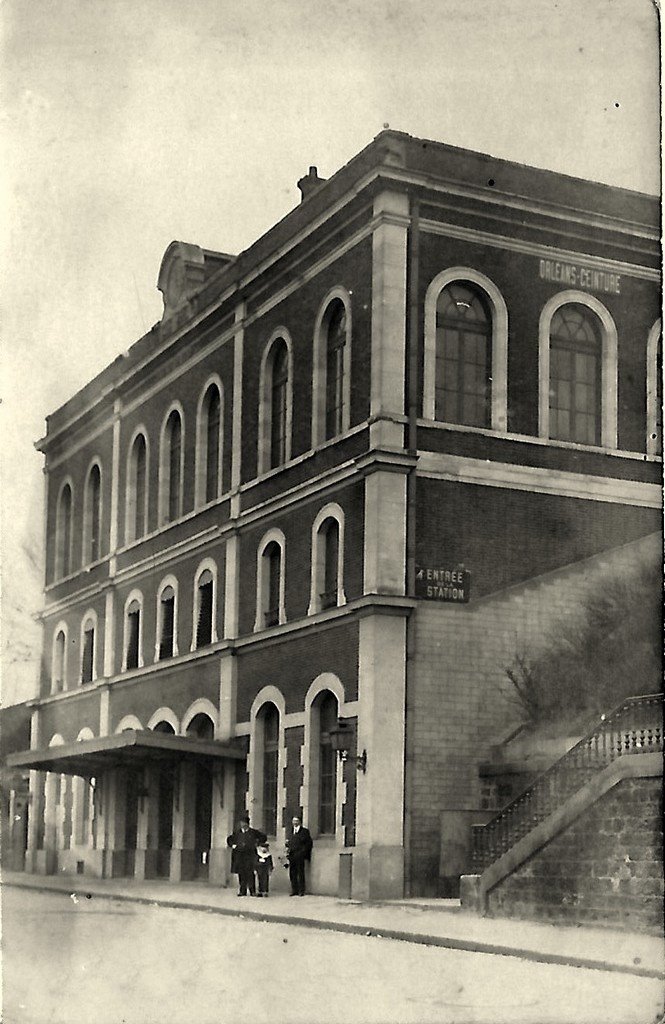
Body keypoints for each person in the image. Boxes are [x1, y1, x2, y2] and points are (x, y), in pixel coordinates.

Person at [226, 817, 266, 896]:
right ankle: (242, 891)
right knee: (241, 873)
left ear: (247, 824)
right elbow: (229, 840)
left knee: (250, 873)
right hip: (240, 856)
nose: (242, 825)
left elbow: (263, 837)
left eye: (244, 823)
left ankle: (252, 891)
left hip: (250, 856)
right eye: (241, 823)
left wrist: (257, 843)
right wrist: (233, 845)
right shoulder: (237, 833)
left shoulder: (253, 832)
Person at [286, 816, 312, 896]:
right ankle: (294, 890)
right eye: (293, 821)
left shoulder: (304, 831)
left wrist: (303, 852)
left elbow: (308, 843)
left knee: (300, 873)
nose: (295, 822)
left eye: (296, 821)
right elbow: (288, 842)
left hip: (300, 855)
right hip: (292, 855)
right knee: (292, 873)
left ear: (300, 822)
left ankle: (301, 890)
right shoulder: (290, 831)